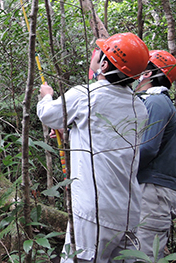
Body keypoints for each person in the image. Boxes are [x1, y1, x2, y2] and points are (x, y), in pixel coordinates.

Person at [37, 33, 150, 263]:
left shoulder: (85, 95)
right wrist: (70, 129)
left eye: (99, 54)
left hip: (93, 212)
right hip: (128, 211)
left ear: (105, 64)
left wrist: (46, 96)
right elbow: (104, 135)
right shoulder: (140, 109)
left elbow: (47, 115)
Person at [135, 50, 176, 258]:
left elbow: (147, 148)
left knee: (144, 254)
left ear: (148, 73)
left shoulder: (156, 102)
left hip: (153, 192)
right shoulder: (148, 101)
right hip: (147, 190)